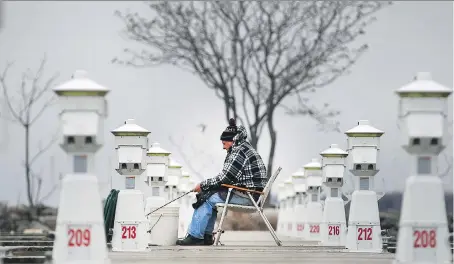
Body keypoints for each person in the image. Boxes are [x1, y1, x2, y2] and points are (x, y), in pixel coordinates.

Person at [176, 118, 267, 246]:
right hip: (250, 194)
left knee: (206, 198)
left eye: (224, 144)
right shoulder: (243, 147)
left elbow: (225, 178)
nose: (223, 147)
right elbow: (228, 178)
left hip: (249, 197)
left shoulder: (239, 151)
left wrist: (202, 185)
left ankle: (196, 236)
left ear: (230, 141)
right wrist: (208, 187)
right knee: (209, 194)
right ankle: (206, 237)